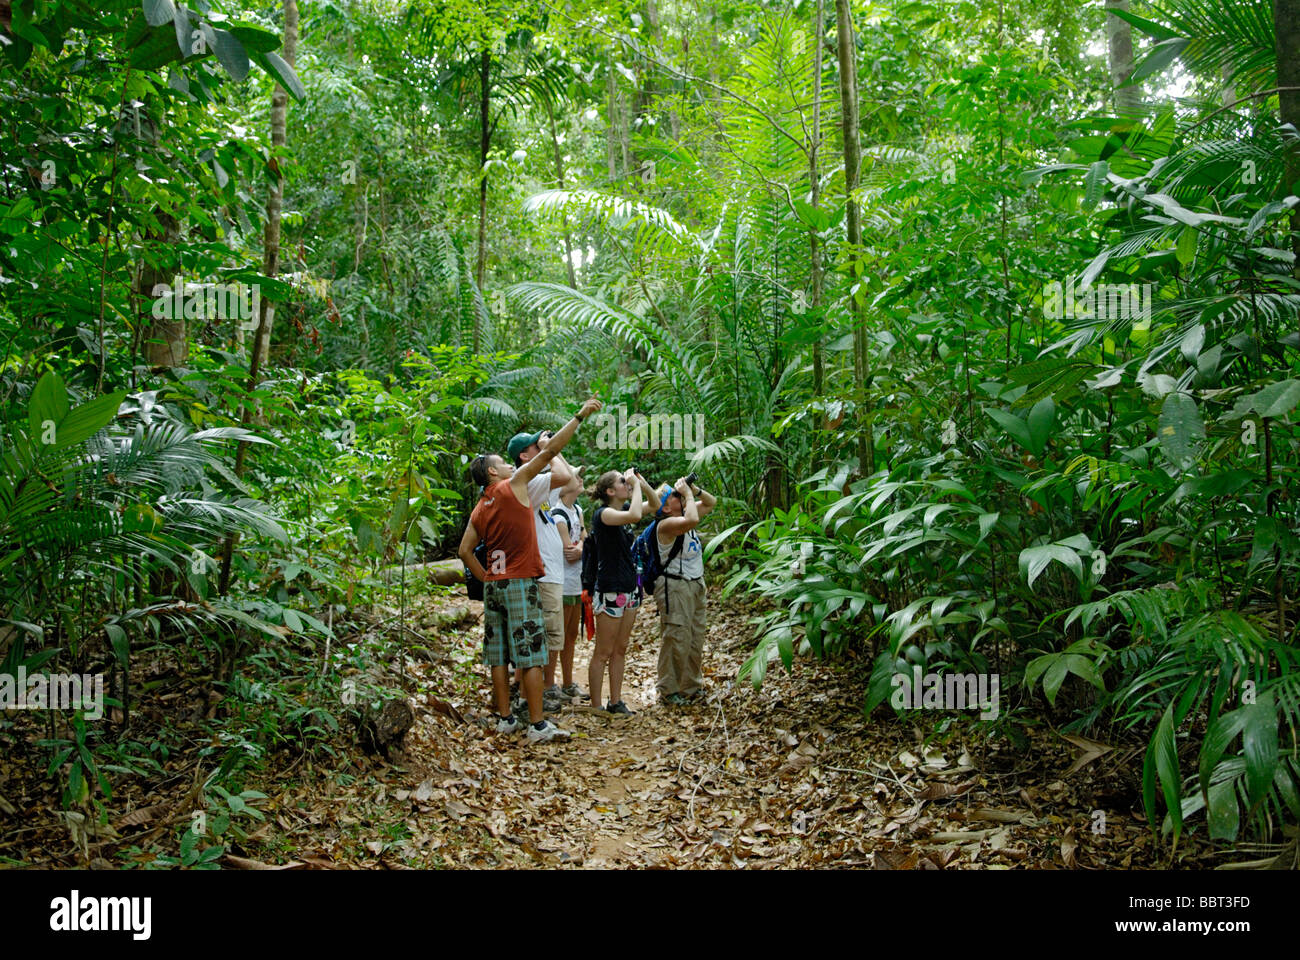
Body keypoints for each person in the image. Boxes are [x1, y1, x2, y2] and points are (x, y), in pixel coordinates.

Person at [458, 397, 602, 743]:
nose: (508, 466)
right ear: (493, 472)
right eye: (500, 464)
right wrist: (579, 415)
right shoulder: (513, 486)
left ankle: (505, 718)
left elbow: (464, 550)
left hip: (495, 586)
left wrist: (487, 576)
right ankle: (538, 725)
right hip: (521, 583)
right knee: (531, 655)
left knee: (499, 655)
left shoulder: (481, 505)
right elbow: (551, 452)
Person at [508, 428, 573, 713]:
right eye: (536, 446)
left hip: (552, 574)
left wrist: (549, 450)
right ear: (525, 456)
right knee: (542, 637)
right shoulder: (527, 483)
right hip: (542, 574)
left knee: (552, 637)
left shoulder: (538, 481)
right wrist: (550, 449)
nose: (543, 449)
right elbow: (563, 476)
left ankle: (543, 690)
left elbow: (569, 477)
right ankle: (533, 695)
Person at [587, 467, 658, 715]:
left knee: (621, 646)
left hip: (629, 588)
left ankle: (616, 701)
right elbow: (637, 515)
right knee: (603, 650)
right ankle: (596, 705)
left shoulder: (624, 511)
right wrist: (635, 487)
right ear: (609, 491)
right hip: (610, 589)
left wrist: (640, 481)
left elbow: (655, 504)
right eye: (621, 481)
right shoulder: (604, 514)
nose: (625, 483)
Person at [651, 477, 715, 705]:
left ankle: (690, 686)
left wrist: (694, 489)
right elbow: (692, 519)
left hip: (695, 583)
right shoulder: (666, 524)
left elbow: (710, 503)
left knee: (695, 637)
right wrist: (687, 496)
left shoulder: (685, 514)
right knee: (677, 637)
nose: (680, 496)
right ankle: (669, 690)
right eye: (674, 496)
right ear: (666, 507)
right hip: (675, 586)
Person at [551, 469, 587, 700]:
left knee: (572, 634)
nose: (580, 479)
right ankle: (549, 685)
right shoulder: (558, 514)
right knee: (557, 635)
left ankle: (567, 682)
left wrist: (582, 547)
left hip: (576, 581)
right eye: (576, 477)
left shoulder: (578, 510)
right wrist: (583, 547)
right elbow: (569, 552)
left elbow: (583, 540)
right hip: (562, 581)